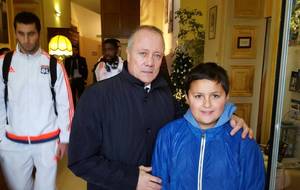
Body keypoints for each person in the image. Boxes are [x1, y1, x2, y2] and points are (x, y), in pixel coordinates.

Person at [68, 25, 252, 190]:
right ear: (128, 54)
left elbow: (195, 115)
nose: (150, 62)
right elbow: (80, 161)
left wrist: (228, 117)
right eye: (143, 53)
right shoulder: (96, 96)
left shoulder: (165, 92)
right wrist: (131, 179)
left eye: (157, 55)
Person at [152, 62, 265, 190]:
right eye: (198, 96)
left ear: (227, 97)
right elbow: (159, 184)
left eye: (215, 96)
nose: (207, 104)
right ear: (187, 98)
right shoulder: (168, 135)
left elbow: (254, 185)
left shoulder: (243, 141)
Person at [0, 12, 74, 190]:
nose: (26, 39)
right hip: (13, 142)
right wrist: (1, 138)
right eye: (21, 33)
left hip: (47, 142)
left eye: (31, 33)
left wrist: (64, 139)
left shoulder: (53, 65)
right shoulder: (3, 63)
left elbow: (66, 105)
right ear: (15, 33)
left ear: (38, 33)